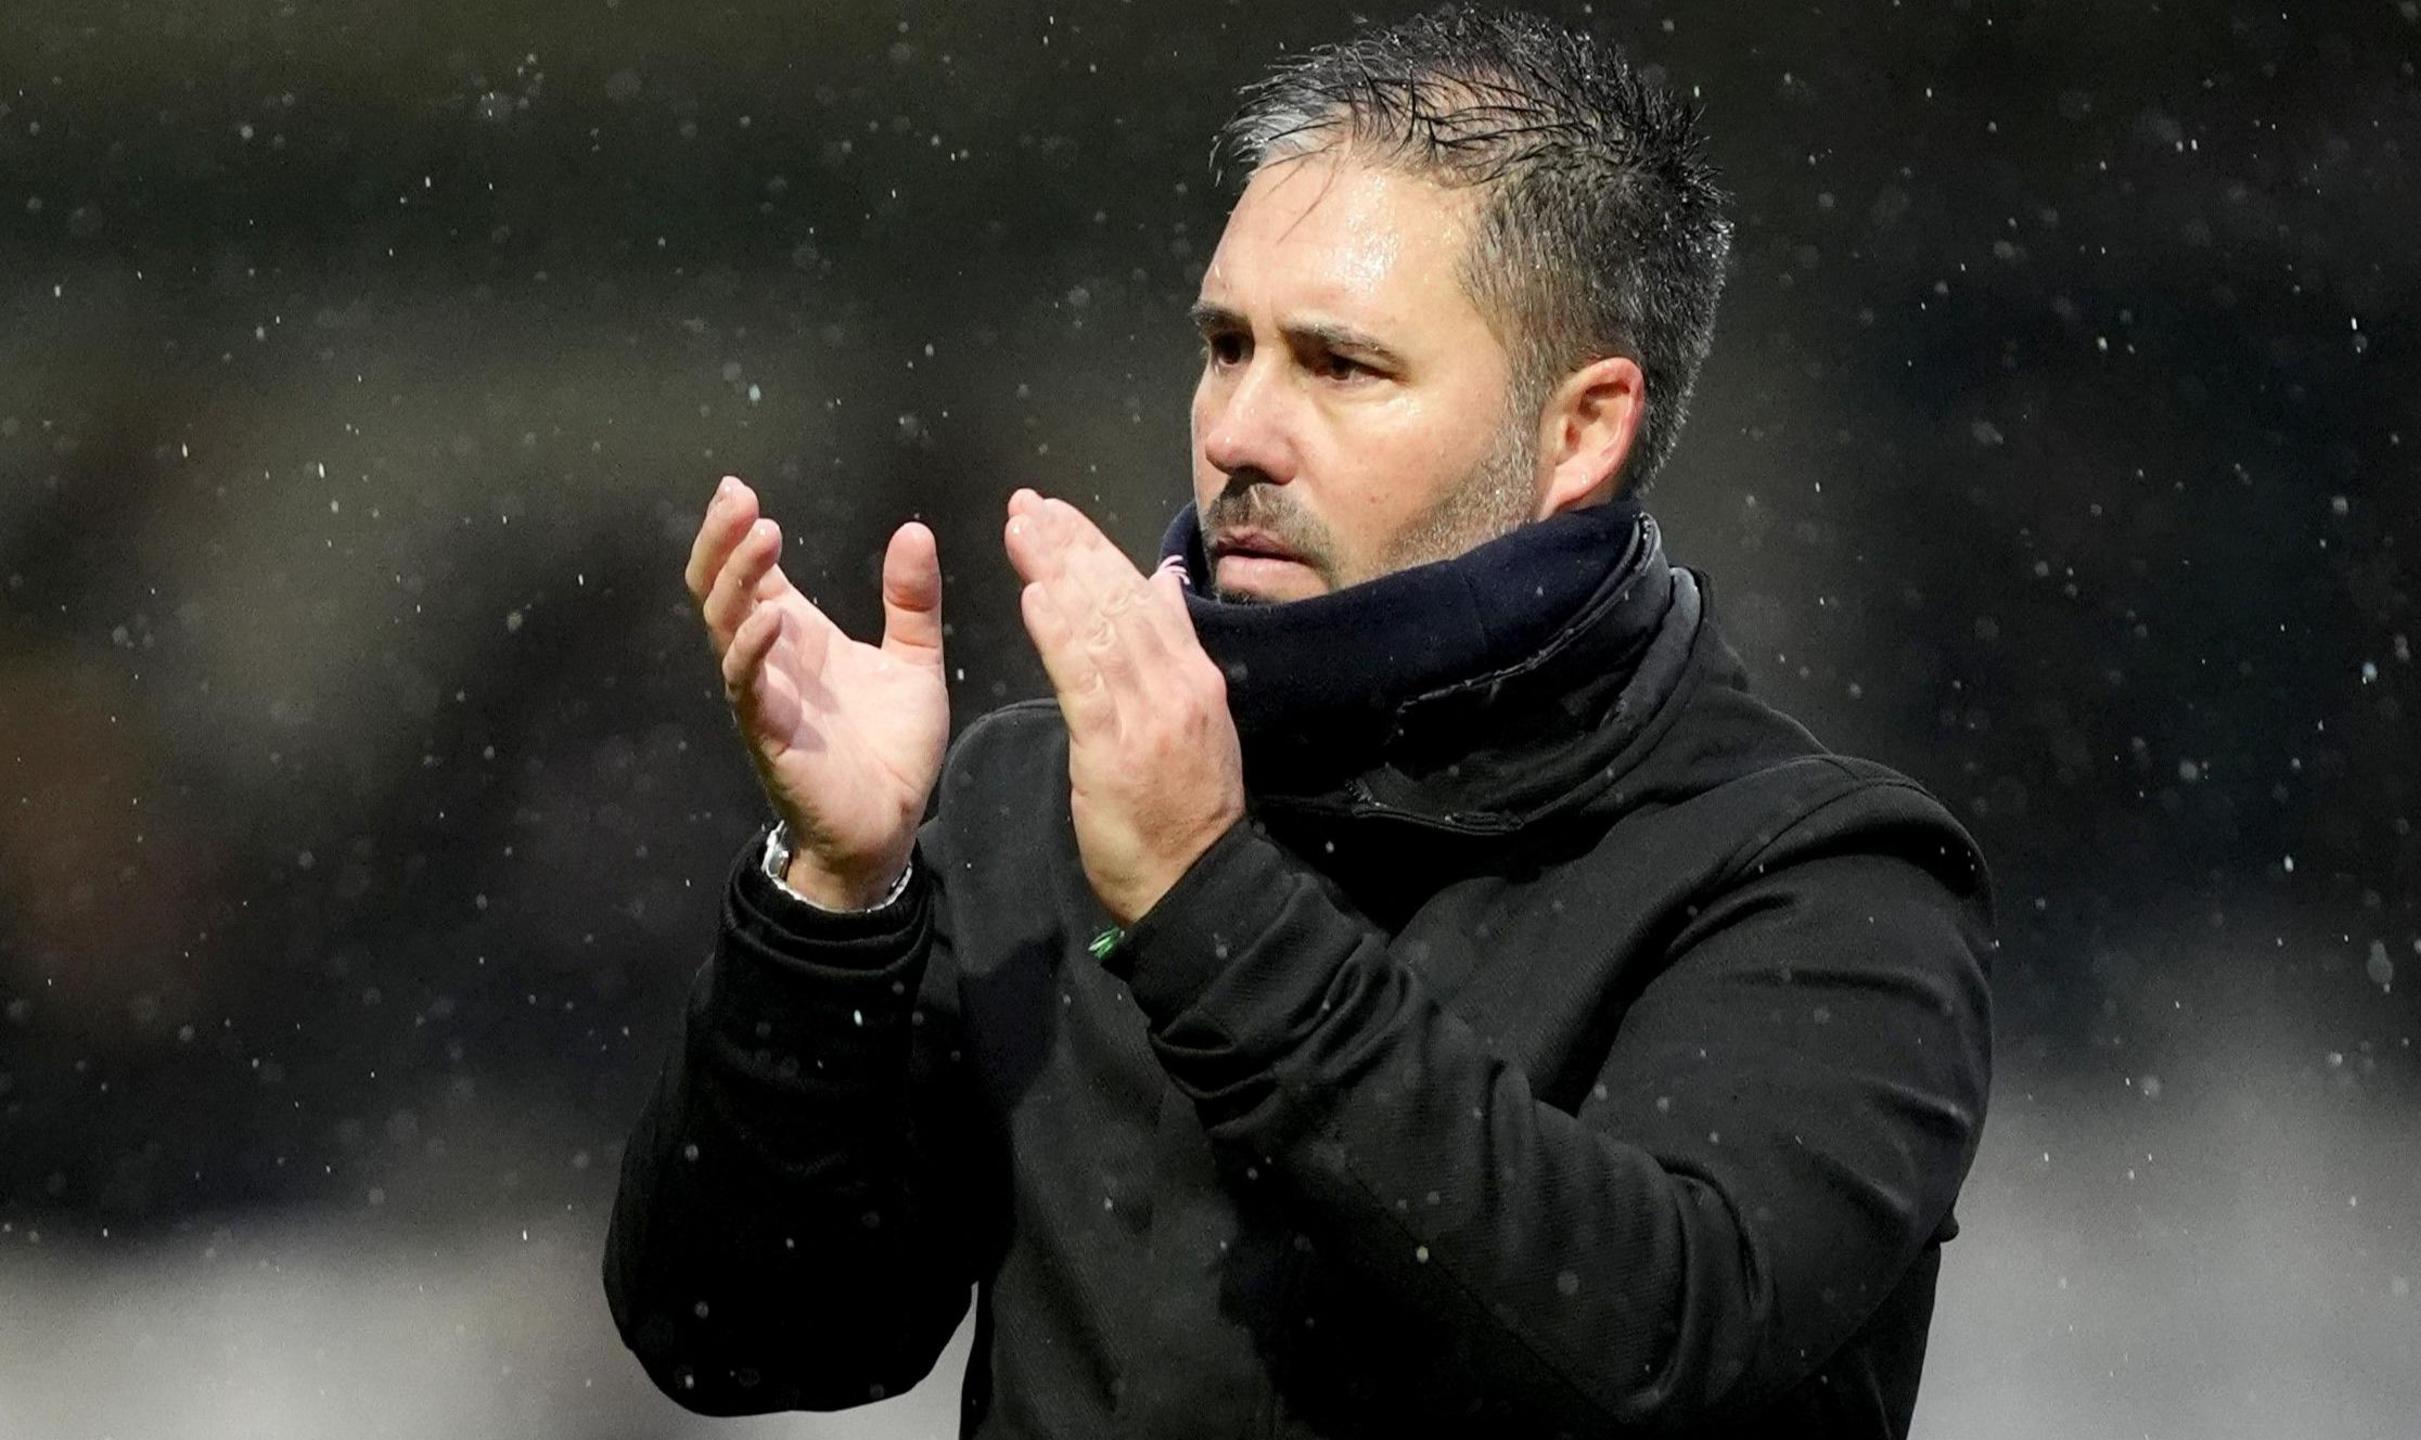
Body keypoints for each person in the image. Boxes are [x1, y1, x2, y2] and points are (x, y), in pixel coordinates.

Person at [603, 7, 1995, 1437]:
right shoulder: (1048, 794)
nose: (1238, 431)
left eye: (1339, 365)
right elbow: (747, 1338)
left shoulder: (1820, 880)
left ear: (1582, 430)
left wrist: (1205, 900)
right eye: (1225, 345)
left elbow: (1660, 1349)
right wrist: (833, 905)